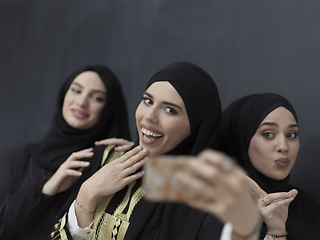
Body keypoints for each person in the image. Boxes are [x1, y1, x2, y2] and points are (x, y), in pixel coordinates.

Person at [50, 62, 261, 240]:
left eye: (170, 110)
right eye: (147, 101)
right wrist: (87, 193)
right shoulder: (106, 157)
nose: (149, 117)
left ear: (196, 127)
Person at [0, 64, 132, 239]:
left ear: (109, 109)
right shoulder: (21, 157)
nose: (81, 102)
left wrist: (144, 156)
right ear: (64, 94)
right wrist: (46, 190)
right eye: (76, 91)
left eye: (96, 98)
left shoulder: (112, 165)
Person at [219, 93, 320, 239]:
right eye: (268, 134)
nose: (283, 146)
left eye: (291, 134)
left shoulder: (310, 210)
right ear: (241, 138)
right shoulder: (215, 208)